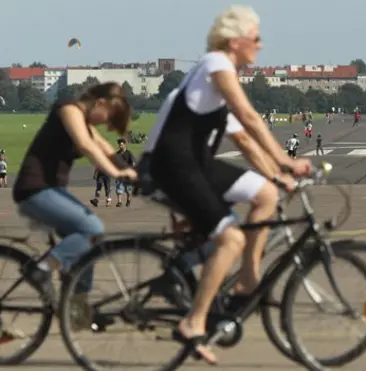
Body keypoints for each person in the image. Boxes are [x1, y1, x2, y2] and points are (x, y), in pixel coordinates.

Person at [141, 5, 310, 364]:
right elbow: (249, 117)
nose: (261, 46)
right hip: (171, 168)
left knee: (265, 194)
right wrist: (285, 160)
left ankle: (247, 280)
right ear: (235, 42)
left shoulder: (216, 83)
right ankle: (194, 322)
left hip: (194, 166)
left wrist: (277, 177)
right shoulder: (215, 65)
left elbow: (245, 141)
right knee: (232, 237)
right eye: (256, 38)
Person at [12, 82, 136, 323]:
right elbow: (85, 145)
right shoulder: (68, 109)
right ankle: (41, 269)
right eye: (107, 117)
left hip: (53, 191)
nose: (103, 124)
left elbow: (106, 148)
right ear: (100, 103)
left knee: (88, 244)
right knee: (92, 229)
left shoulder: (85, 122)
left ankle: (78, 313)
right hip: (34, 189)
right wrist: (116, 174)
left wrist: (136, 173)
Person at [115, 138, 136, 207]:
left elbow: (133, 163)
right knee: (119, 187)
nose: (120, 146)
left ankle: (128, 199)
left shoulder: (129, 153)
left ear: (124, 145)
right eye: (119, 145)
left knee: (128, 189)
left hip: (127, 174)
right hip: (120, 173)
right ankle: (119, 202)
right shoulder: (117, 153)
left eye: (121, 145)